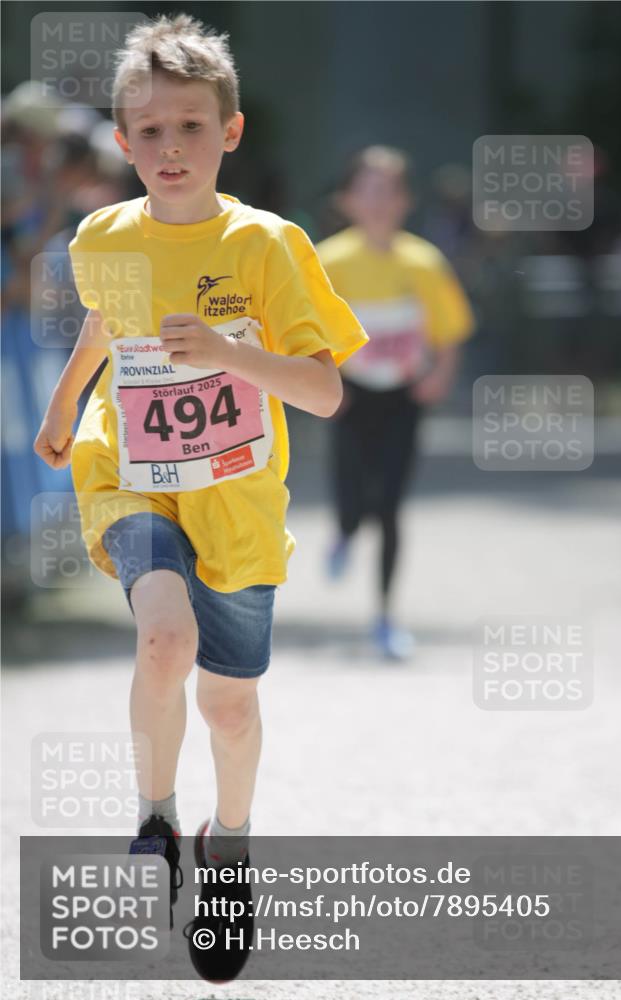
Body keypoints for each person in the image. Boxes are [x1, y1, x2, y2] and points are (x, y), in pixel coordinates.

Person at [33, 12, 367, 979]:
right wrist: (65, 405)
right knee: (164, 637)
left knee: (229, 708)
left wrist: (228, 353)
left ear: (230, 131)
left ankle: (231, 842)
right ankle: (154, 818)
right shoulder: (101, 234)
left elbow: (325, 389)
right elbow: (104, 326)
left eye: (189, 127)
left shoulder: (271, 246)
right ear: (123, 138)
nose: (168, 148)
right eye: (147, 131)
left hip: (238, 499)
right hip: (128, 470)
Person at [317, 147, 474, 660]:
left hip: (404, 396)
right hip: (350, 396)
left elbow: (450, 331)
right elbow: (303, 330)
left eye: (390, 190)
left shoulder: (424, 262)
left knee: (389, 506)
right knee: (351, 500)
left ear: (406, 200)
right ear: (347, 199)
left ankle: (385, 617)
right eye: (368, 189)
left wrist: (440, 376)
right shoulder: (328, 260)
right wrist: (324, 383)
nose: (379, 201)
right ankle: (342, 534)